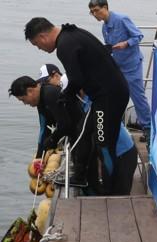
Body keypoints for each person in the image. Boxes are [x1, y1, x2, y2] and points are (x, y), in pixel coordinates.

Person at [24, 17, 130, 194]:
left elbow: (76, 79)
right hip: (105, 95)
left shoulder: (65, 45)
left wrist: (65, 95)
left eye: (37, 45)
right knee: (83, 129)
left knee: (103, 144)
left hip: (109, 97)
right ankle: (81, 177)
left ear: (42, 36)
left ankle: (111, 191)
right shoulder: (71, 34)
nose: (40, 49)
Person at [38, 63, 137, 194]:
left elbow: (84, 134)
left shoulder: (94, 105)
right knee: (109, 196)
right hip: (111, 155)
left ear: (78, 90)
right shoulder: (86, 104)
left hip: (122, 154)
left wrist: (79, 172)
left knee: (118, 198)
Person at [88, 0, 152, 142]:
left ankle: (148, 129)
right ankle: (118, 127)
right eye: (92, 12)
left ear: (105, 7)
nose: (94, 14)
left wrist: (125, 43)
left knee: (138, 97)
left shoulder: (122, 19)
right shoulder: (104, 27)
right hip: (117, 67)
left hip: (131, 66)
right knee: (115, 96)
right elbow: (109, 46)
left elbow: (138, 36)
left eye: (96, 10)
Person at [8, 76, 88, 187]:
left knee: (85, 175)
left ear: (30, 91)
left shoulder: (50, 94)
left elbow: (65, 124)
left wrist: (52, 139)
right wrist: (40, 157)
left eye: (23, 99)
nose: (25, 103)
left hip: (82, 133)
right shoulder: (41, 100)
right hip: (74, 135)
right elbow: (45, 128)